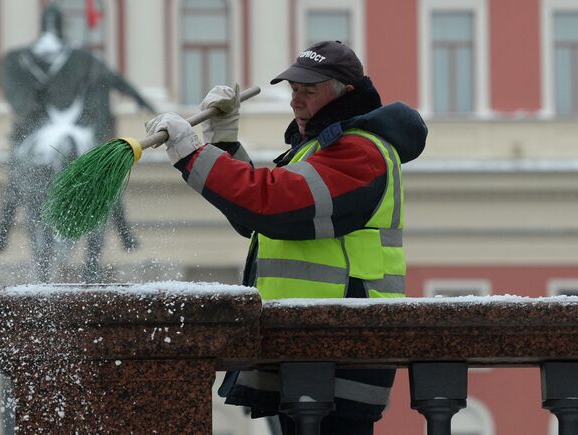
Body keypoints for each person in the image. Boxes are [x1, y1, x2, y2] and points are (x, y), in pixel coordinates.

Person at [145, 41, 427, 434]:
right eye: (294, 90)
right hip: (306, 354)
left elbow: (274, 204)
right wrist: (223, 143)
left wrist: (193, 154)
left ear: (345, 93)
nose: (296, 101)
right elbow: (262, 217)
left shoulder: (360, 152)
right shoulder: (320, 149)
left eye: (308, 92)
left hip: (336, 355)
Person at [0, 4, 154, 283]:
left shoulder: (66, 57)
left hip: (58, 129)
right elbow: (115, 81)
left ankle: (2, 231)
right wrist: (141, 100)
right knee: (101, 173)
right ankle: (123, 231)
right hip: (54, 129)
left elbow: (113, 80)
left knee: (23, 170)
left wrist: (140, 99)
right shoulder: (48, 58)